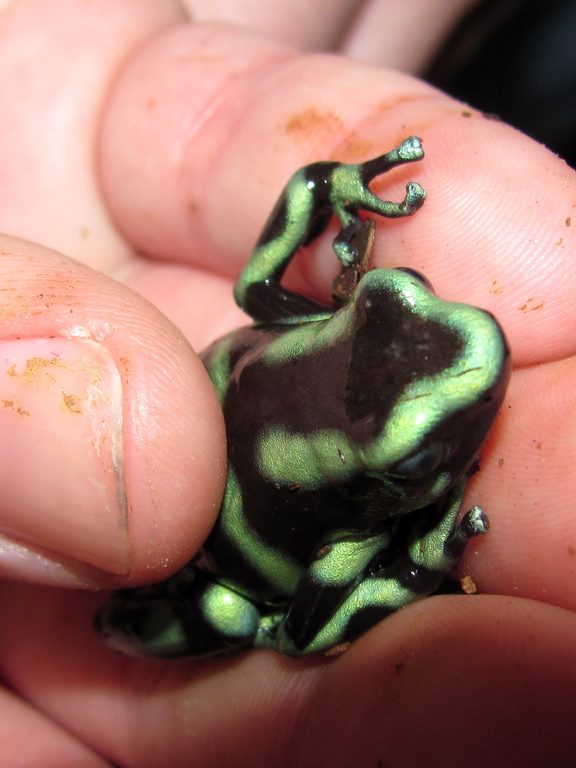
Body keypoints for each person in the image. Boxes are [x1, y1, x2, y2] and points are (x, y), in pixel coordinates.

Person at [0, 1, 575, 765]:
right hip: (210, 566)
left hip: (224, 401)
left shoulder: (301, 324)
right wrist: (415, 564)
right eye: (384, 293)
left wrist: (333, 189)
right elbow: (302, 633)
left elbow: (279, 237)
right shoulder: (350, 534)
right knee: (239, 615)